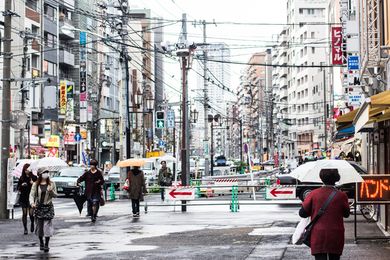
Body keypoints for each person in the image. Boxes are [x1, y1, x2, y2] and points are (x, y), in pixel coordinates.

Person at [299, 169, 350, 260]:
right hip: (336, 234)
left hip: (318, 234)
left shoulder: (313, 194)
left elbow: (302, 213)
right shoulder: (341, 195)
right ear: (336, 178)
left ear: (321, 178)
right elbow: (346, 214)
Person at [29, 167, 57, 252]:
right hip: (39, 207)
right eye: (45, 172)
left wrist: (51, 191)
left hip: (48, 207)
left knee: (47, 227)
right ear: (40, 174)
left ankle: (46, 244)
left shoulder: (52, 183)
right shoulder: (36, 184)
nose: (46, 174)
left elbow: (55, 195)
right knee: (40, 227)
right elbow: (32, 195)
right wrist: (32, 203)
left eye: (47, 172)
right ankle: (41, 241)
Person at [17, 164, 37, 234]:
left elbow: (38, 187)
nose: (27, 171)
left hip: (31, 197)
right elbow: (18, 187)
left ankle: (32, 223)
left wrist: (33, 183)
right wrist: (21, 185)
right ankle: (25, 228)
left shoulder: (34, 177)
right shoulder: (21, 178)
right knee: (24, 213)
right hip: (23, 197)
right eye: (25, 170)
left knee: (31, 213)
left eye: (28, 169)